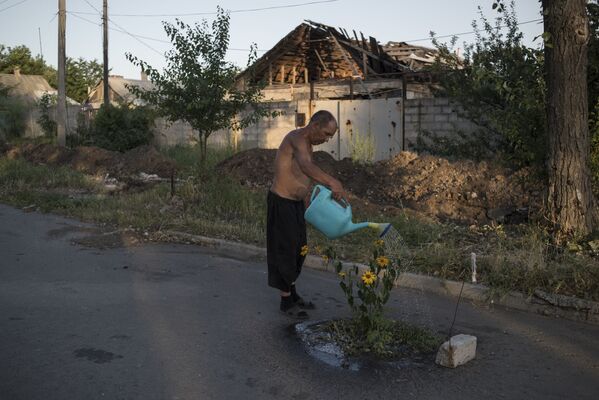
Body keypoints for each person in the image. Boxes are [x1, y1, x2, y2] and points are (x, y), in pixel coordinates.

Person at [267, 110, 347, 319]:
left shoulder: (308, 144)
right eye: (327, 134)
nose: (327, 139)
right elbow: (306, 166)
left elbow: (300, 173)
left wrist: (306, 199)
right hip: (282, 202)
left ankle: (293, 295)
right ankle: (286, 302)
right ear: (315, 126)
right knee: (286, 249)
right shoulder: (296, 138)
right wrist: (332, 182)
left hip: (296, 204)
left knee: (299, 249)